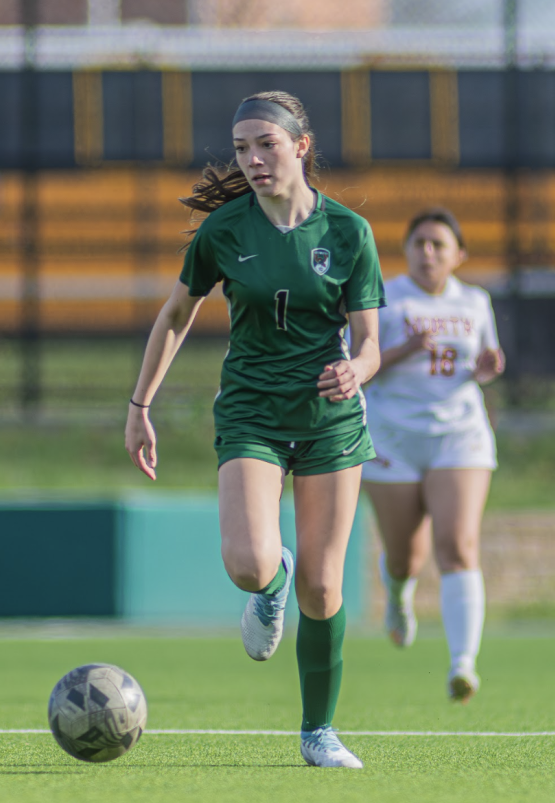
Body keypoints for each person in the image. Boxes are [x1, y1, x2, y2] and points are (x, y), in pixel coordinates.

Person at [125, 91, 384, 768]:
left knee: (325, 590)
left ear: (301, 147)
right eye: (242, 148)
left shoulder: (348, 232)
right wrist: (140, 405)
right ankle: (271, 587)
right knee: (248, 565)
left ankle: (317, 732)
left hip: (330, 423)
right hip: (251, 414)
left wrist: (356, 370)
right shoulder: (224, 231)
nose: (253, 159)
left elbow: (372, 345)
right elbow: (177, 315)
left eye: (266, 144)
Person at [361, 207, 505, 704]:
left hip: (458, 435)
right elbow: (358, 367)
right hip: (391, 437)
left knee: (458, 545)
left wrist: (488, 367)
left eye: (439, 244)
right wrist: (403, 348)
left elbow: (479, 366)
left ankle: (463, 664)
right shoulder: (384, 297)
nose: (428, 253)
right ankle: (399, 596)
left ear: (458, 255)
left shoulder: (476, 302)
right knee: (405, 556)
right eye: (419, 242)